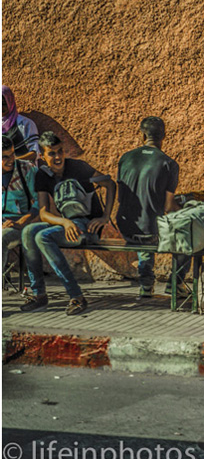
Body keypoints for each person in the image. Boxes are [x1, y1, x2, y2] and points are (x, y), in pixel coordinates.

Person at [20, 131, 116, 315]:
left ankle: (76, 296)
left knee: (43, 237)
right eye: (52, 153)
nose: (57, 157)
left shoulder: (79, 168)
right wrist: (64, 222)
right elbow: (43, 213)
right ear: (42, 155)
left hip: (87, 227)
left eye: (60, 151)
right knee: (28, 232)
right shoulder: (43, 175)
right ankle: (39, 294)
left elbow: (110, 184)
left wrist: (104, 218)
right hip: (67, 225)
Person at [116, 116, 189, 299]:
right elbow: (168, 206)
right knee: (188, 236)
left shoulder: (125, 159)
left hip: (125, 228)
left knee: (146, 224)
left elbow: (122, 196)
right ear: (164, 136)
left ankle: (146, 284)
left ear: (142, 136)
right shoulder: (169, 163)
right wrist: (184, 203)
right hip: (149, 232)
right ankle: (176, 283)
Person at [2, 135, 39, 271]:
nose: (11, 160)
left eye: (12, 154)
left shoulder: (27, 170)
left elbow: (38, 202)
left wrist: (21, 222)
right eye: (4, 157)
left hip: (18, 225)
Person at [2, 85, 40, 161]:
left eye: (4, 103)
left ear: (10, 101)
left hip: (22, 170)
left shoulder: (25, 124)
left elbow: (35, 153)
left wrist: (13, 162)